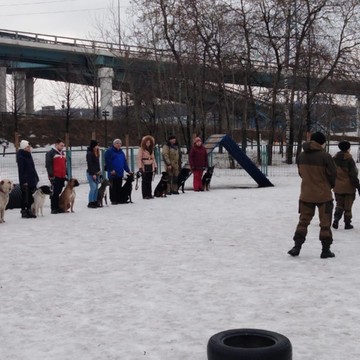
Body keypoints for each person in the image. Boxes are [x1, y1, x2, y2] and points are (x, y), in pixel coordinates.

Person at [288, 131, 337, 259]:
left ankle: (296, 247)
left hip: (306, 194)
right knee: (325, 224)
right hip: (324, 196)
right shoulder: (325, 156)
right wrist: (329, 186)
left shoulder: (301, 156)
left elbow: (301, 173)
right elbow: (332, 175)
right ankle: (325, 250)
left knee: (303, 222)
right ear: (322, 142)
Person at [332, 140, 360, 230]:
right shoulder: (349, 160)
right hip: (349, 187)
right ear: (348, 148)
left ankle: (336, 219)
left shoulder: (334, 159)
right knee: (348, 206)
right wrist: (358, 186)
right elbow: (353, 174)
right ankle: (347, 223)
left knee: (339, 204)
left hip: (338, 186)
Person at [104, 138, 131, 204]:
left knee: (119, 186)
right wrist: (111, 169)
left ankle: (119, 198)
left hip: (120, 172)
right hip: (112, 172)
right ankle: (113, 199)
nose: (119, 144)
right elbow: (108, 161)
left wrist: (128, 170)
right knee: (113, 186)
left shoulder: (121, 152)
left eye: (120, 143)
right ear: (114, 144)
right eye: (117, 143)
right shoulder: (109, 151)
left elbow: (124, 162)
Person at [17, 140, 39, 218]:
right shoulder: (21, 156)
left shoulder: (29, 155)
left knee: (30, 196)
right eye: (27, 147)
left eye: (29, 146)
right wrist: (24, 181)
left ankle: (29, 210)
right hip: (25, 180)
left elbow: (32, 168)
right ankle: (23, 211)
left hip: (31, 178)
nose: (29, 148)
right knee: (24, 196)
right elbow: (21, 170)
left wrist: (36, 177)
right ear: (24, 147)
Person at [45, 138, 67, 214]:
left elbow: (64, 165)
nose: (62, 147)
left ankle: (57, 207)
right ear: (56, 145)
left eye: (63, 146)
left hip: (62, 176)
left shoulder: (62, 154)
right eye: (61, 145)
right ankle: (53, 208)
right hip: (55, 176)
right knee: (54, 192)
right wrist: (51, 175)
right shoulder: (50, 153)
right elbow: (48, 165)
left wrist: (66, 173)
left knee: (59, 191)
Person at [137, 135, 157, 199]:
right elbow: (139, 158)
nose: (148, 143)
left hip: (151, 165)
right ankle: (145, 194)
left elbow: (153, 158)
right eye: (147, 142)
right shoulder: (141, 149)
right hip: (144, 166)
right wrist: (140, 167)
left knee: (150, 180)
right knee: (145, 181)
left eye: (149, 142)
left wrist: (155, 166)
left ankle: (149, 194)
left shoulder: (152, 150)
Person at [86, 139, 101, 208]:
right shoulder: (89, 153)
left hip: (97, 173)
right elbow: (90, 165)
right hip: (91, 173)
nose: (98, 147)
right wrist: (93, 173)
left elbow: (97, 164)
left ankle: (95, 201)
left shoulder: (96, 153)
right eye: (97, 145)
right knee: (93, 187)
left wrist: (98, 171)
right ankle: (90, 202)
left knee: (96, 187)